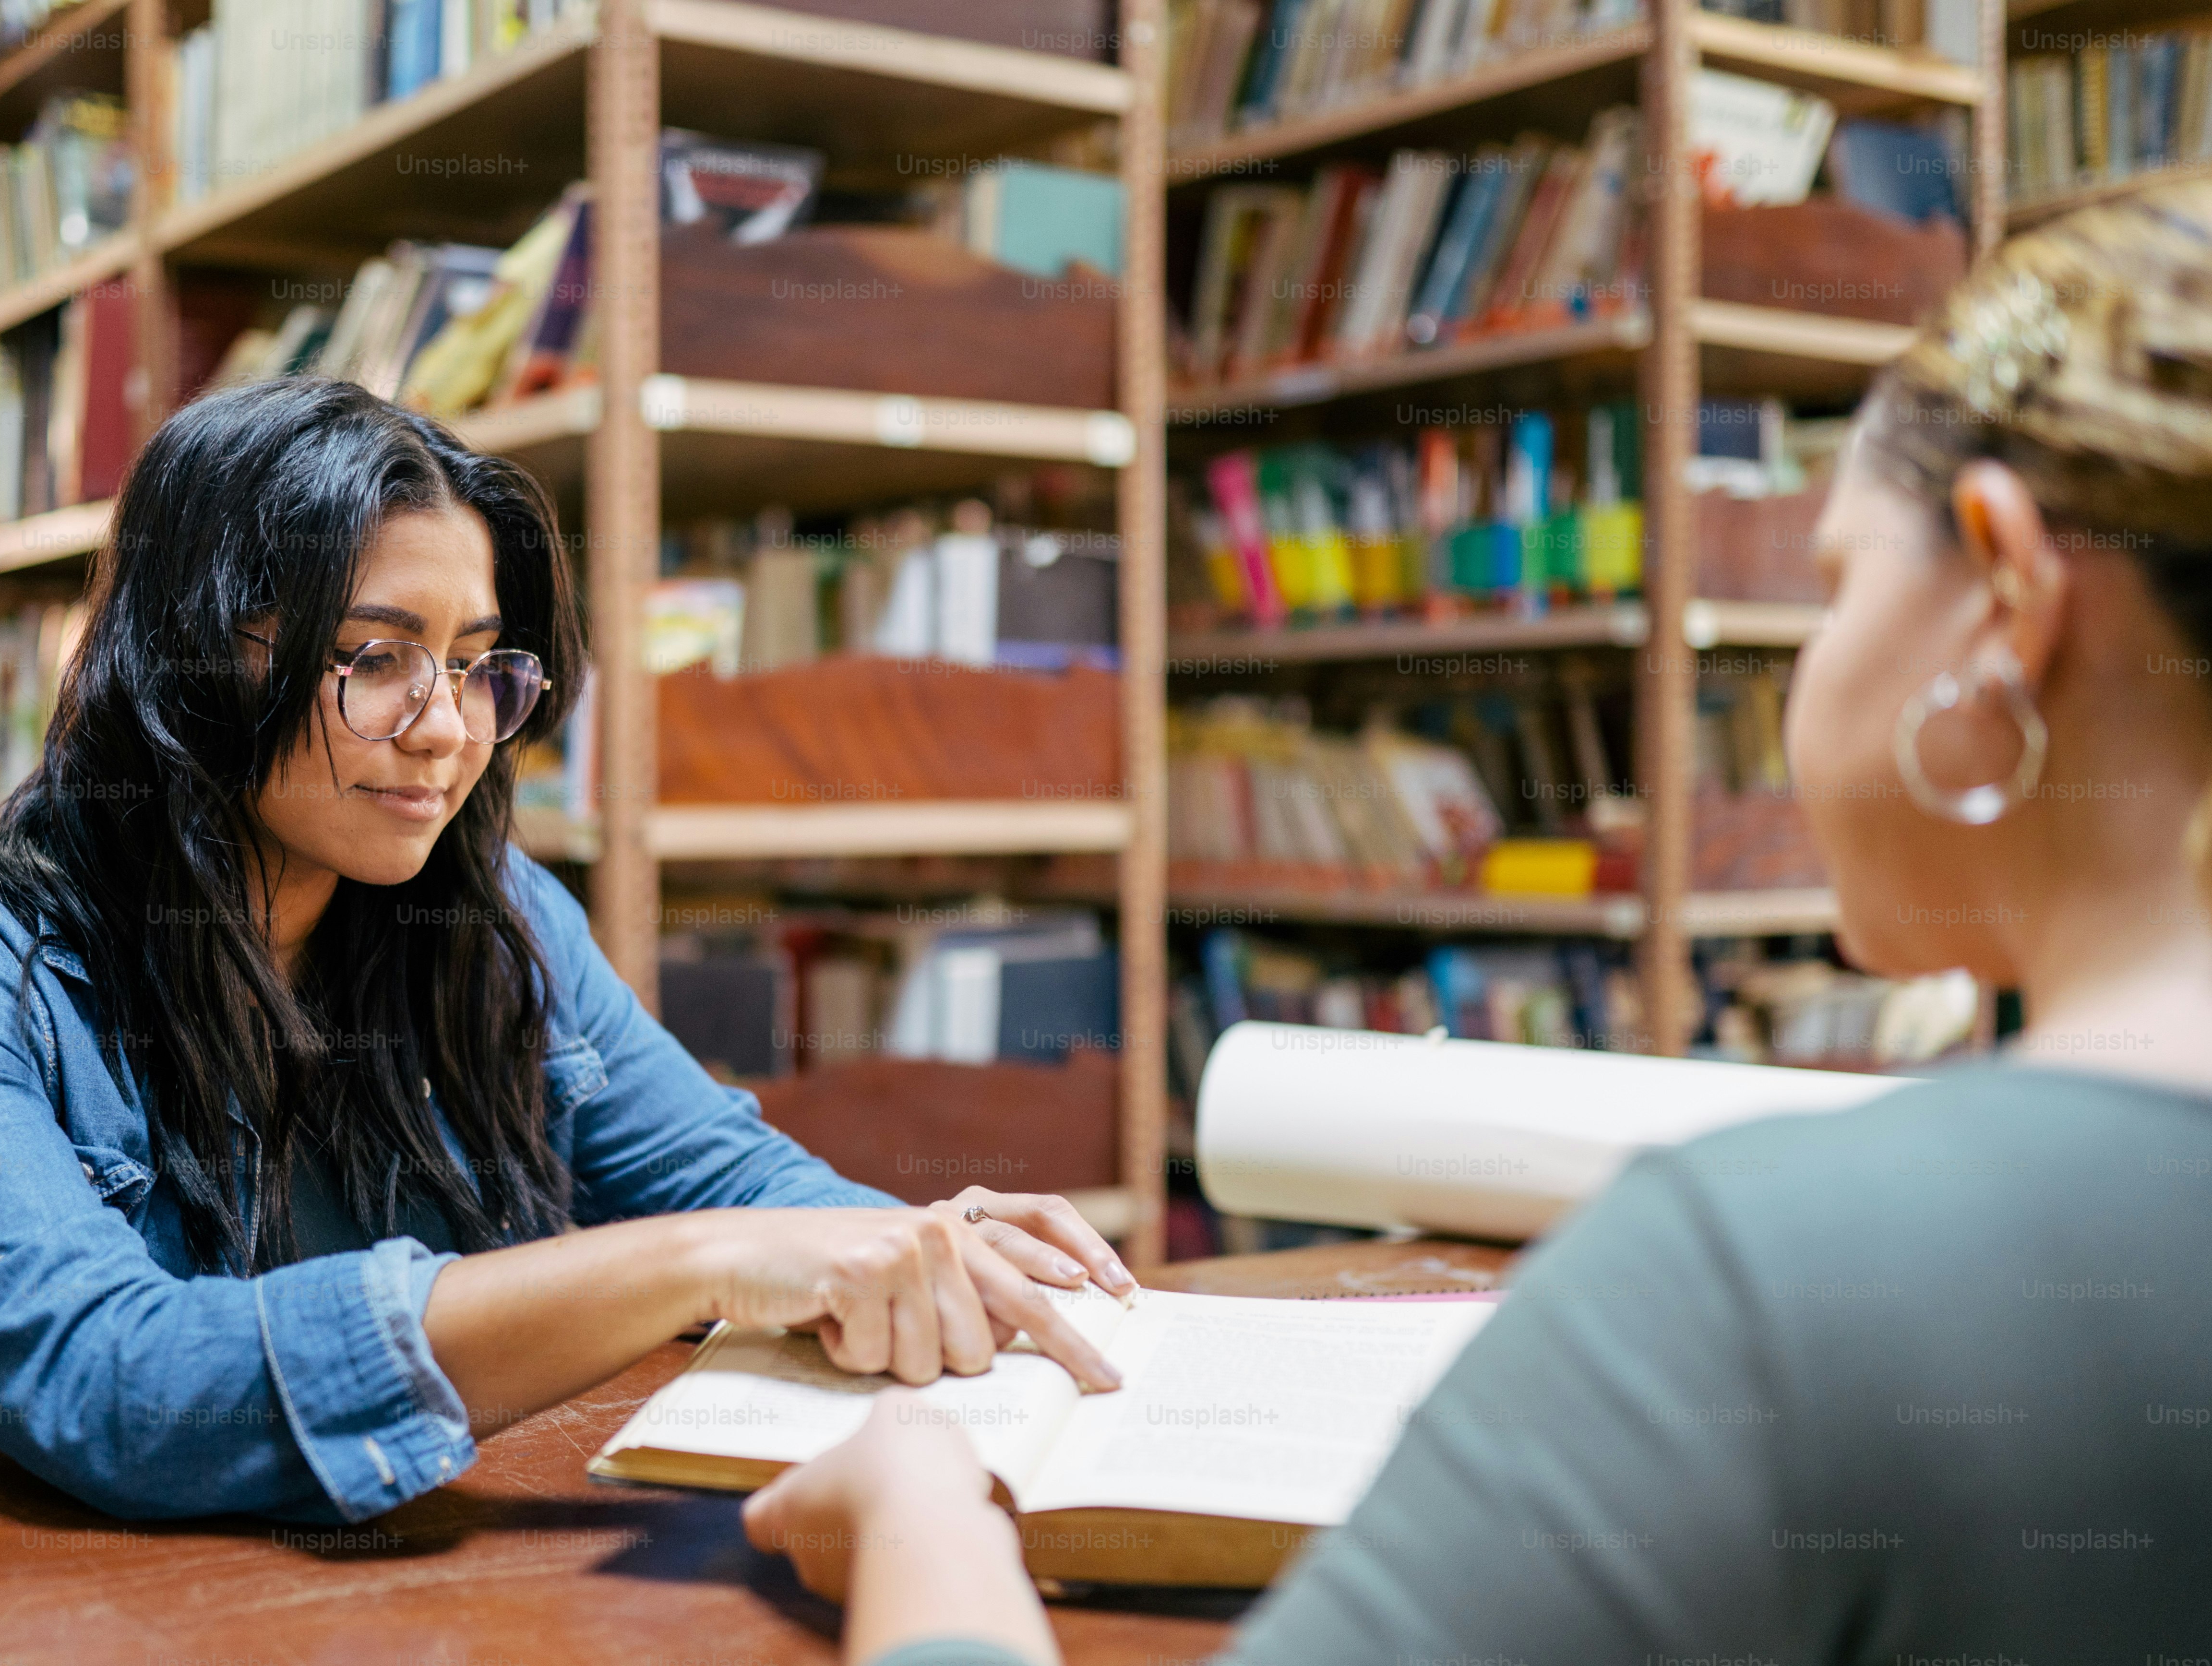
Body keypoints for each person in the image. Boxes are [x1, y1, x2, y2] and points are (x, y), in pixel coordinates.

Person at [738, 184, 2212, 1663]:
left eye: (1832, 582)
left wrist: (925, 1512)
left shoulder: (1759, 1275)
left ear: (2008, 591)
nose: (1815, 658)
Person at [0, 377, 1130, 1525]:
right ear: (193, 659)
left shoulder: (497, 922)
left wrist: (917, 1246)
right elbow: (109, 1385)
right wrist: (698, 1261)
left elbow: (726, 1179)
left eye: (483, 666)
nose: (445, 729)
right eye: (376, 658)